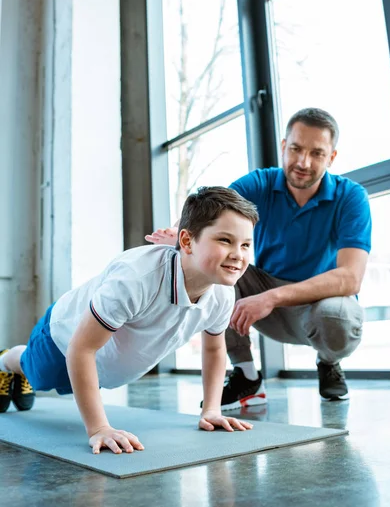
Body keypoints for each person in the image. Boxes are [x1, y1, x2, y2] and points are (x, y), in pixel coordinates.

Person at [0, 186, 259, 453]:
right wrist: (99, 428)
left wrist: (212, 409)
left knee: (74, 382)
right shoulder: (136, 278)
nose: (238, 254)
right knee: (39, 375)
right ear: (187, 241)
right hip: (64, 338)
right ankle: (7, 360)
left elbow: (214, 348)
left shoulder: (222, 295)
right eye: (225, 241)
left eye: (246, 245)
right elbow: (81, 348)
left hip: (104, 362)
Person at [146, 108, 372, 409]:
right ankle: (246, 376)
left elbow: (350, 278)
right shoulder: (261, 183)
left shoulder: (351, 197)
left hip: (318, 305)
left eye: (316, 153)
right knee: (211, 267)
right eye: (295, 149)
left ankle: (328, 362)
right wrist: (178, 233)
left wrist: (272, 297)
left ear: (331, 158)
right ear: (283, 147)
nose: (303, 162)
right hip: (261, 298)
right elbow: (211, 210)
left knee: (339, 315)